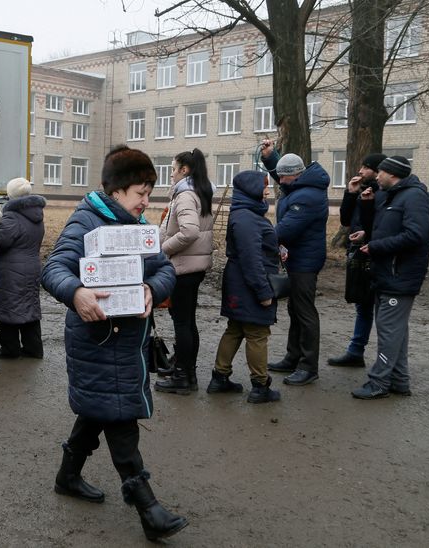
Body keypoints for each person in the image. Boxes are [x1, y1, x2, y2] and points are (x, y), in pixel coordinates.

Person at [41, 145, 186, 542]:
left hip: (128, 343)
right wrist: (76, 294)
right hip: (98, 342)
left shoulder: (138, 228)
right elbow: (54, 267)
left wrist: (150, 290)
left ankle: (67, 476)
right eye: (141, 192)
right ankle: (148, 508)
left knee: (98, 409)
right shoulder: (86, 220)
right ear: (117, 191)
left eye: (149, 191)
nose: (146, 201)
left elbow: (165, 271)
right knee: (119, 418)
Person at [350, 156, 429, 399]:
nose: (376, 176)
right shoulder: (393, 196)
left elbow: (415, 235)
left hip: (400, 275)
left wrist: (376, 247)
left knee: (388, 331)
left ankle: (378, 383)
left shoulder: (414, 197)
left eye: (380, 172)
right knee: (397, 331)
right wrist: (366, 215)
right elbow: (383, 227)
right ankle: (399, 380)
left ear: (392, 174)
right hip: (388, 274)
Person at [260, 141, 329, 386]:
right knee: (295, 309)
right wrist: (270, 158)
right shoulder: (300, 185)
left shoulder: (308, 196)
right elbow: (283, 176)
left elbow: (287, 229)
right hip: (297, 258)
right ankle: (293, 356)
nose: (280, 182)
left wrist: (259, 236)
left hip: (305, 261)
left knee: (305, 311)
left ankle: (309, 367)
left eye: (283, 177)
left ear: (295, 176)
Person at [209, 171, 281, 403]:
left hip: (240, 282)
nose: (268, 190)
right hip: (248, 283)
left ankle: (219, 378)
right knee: (257, 332)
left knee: (236, 328)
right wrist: (263, 291)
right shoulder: (247, 218)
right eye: (264, 186)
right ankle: (260, 386)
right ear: (251, 188)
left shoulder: (245, 214)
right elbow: (251, 259)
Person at [154, 148, 214, 395]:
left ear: (184, 170)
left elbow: (189, 232)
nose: (170, 174)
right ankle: (187, 373)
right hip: (193, 266)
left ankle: (182, 376)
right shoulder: (199, 191)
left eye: (173, 168)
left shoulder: (186, 195)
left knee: (182, 324)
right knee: (188, 322)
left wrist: (163, 251)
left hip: (184, 267)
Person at [327, 153, 386, 368]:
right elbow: (345, 219)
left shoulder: (384, 194)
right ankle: (356, 351)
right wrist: (350, 194)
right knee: (362, 304)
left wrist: (366, 235)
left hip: (376, 253)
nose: (360, 171)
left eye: (366, 167)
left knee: (378, 307)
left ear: (378, 170)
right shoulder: (361, 190)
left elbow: (381, 225)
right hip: (357, 252)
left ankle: (384, 358)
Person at [0, 177, 46, 360]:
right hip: (32, 265)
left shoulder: (12, 216)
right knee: (29, 306)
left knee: (11, 307)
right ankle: (34, 347)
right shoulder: (36, 214)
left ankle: (10, 349)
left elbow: (2, 242)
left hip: (12, 269)